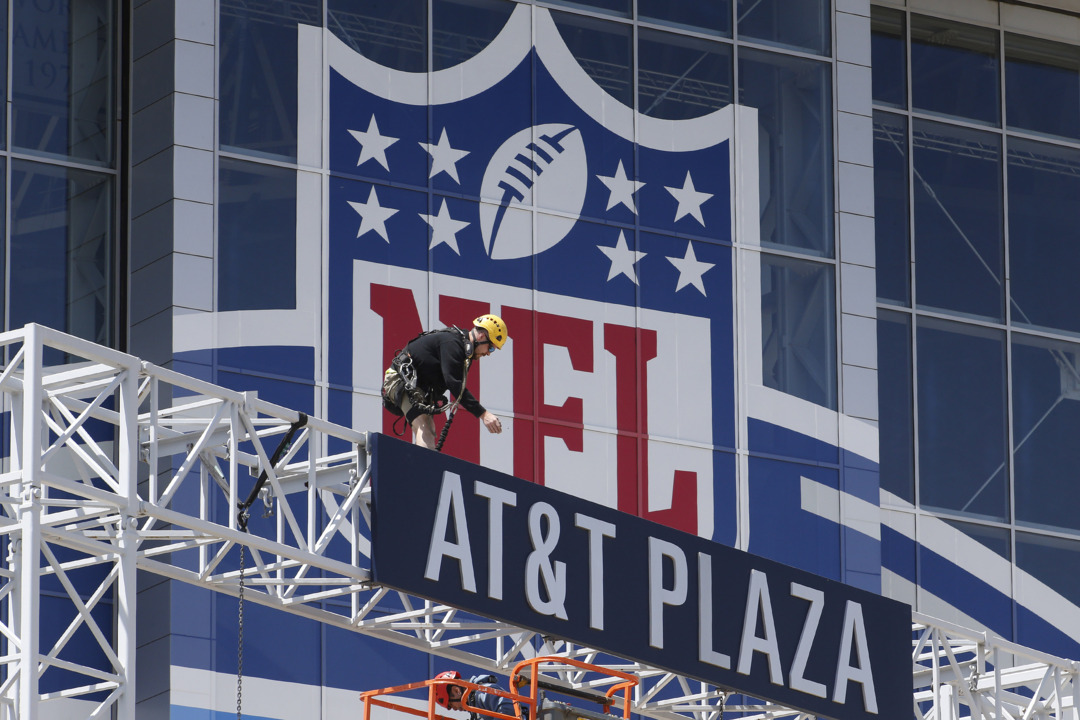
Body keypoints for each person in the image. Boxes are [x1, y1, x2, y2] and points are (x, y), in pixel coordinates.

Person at [382, 314, 508, 449]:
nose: (488, 353)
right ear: (482, 336)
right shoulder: (453, 343)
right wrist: (484, 414)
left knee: (429, 429)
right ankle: (424, 469)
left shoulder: (465, 353)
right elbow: (454, 384)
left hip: (417, 388)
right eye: (491, 348)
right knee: (424, 427)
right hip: (400, 381)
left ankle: (420, 464)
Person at [433, 670, 524, 719]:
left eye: (451, 705)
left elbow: (509, 710)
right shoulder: (474, 705)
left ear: (456, 691)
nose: (456, 709)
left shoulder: (483, 692)